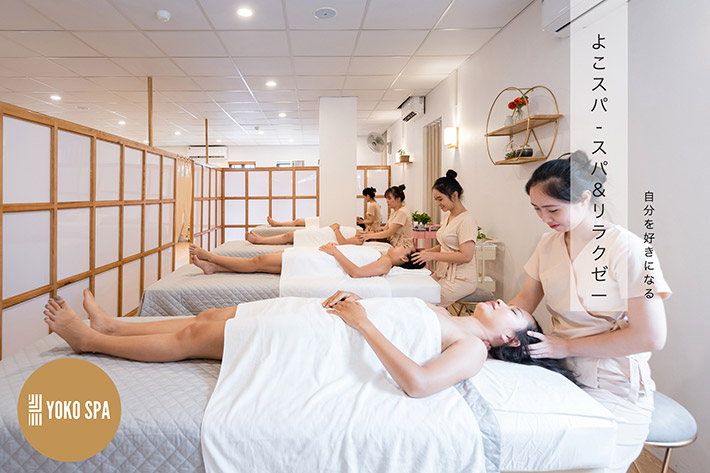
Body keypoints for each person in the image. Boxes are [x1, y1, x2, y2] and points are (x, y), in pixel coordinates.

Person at [43, 289, 567, 398]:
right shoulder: (452, 316)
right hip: (326, 316)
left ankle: (90, 341)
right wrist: (354, 302)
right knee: (210, 316)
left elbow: (419, 384)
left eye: (512, 311)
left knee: (195, 337)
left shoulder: (473, 351)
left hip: (326, 340)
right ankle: (114, 326)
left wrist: (361, 323)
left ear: (507, 338)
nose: (502, 301)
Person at [508, 151, 670, 473]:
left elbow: (651, 336)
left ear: (585, 198)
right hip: (558, 369)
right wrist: (484, 326)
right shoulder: (548, 244)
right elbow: (525, 300)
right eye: (537, 209)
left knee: (585, 463)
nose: (544, 218)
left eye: (552, 209)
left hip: (613, 380)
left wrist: (566, 346)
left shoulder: (630, 249)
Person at [411, 170, 478, 307]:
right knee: (417, 292)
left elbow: (466, 256)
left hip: (460, 280)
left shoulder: (466, 220)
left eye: (440, 199)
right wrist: (425, 252)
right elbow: (444, 245)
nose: (437, 203)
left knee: (425, 303)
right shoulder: (447, 217)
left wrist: (432, 256)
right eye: (435, 199)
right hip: (442, 273)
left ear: (454, 195)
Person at [188, 242, 423, 277]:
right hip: (317, 257)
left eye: (403, 247)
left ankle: (211, 257)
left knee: (258, 262)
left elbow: (357, 273)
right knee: (260, 264)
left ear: (404, 258)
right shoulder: (383, 255)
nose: (398, 245)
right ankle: (214, 267)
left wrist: (335, 252)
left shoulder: (386, 263)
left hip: (317, 262)